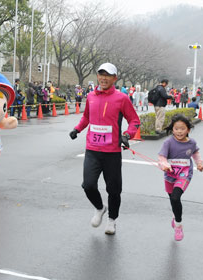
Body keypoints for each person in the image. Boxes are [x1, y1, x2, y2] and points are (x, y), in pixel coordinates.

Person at [69, 62, 140, 235]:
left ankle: (112, 220)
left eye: (107, 75)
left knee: (114, 190)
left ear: (114, 78)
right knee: (88, 185)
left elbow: (134, 120)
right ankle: (100, 208)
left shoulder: (121, 98)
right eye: (101, 74)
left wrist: (127, 134)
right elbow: (86, 117)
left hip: (112, 152)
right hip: (92, 150)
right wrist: (77, 129)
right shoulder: (91, 96)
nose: (103, 78)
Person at [158, 114, 203, 241]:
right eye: (176, 128)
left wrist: (199, 163)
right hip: (170, 175)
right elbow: (161, 158)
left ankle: (178, 225)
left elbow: (195, 154)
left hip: (184, 174)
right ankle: (175, 214)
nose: (179, 131)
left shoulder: (192, 143)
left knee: (175, 197)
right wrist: (165, 165)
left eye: (182, 128)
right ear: (172, 129)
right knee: (173, 200)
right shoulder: (168, 142)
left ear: (188, 130)